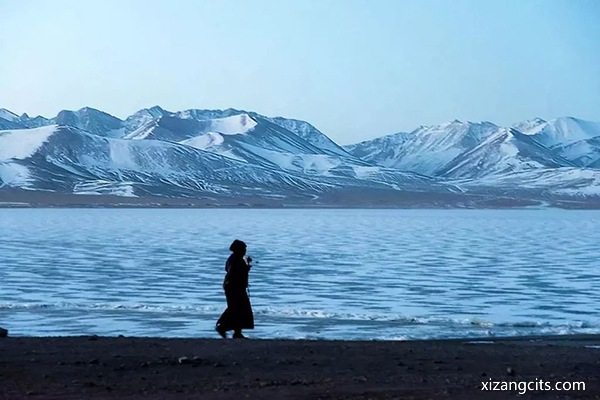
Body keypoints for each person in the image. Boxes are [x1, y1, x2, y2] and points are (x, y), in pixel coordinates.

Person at [216, 239, 254, 339]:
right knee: (236, 308)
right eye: (243, 249)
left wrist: (246, 266)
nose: (245, 251)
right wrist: (245, 268)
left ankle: (236, 332)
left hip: (234, 286)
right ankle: (223, 326)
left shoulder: (234, 259)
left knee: (239, 308)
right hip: (234, 287)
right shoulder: (235, 259)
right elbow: (233, 272)